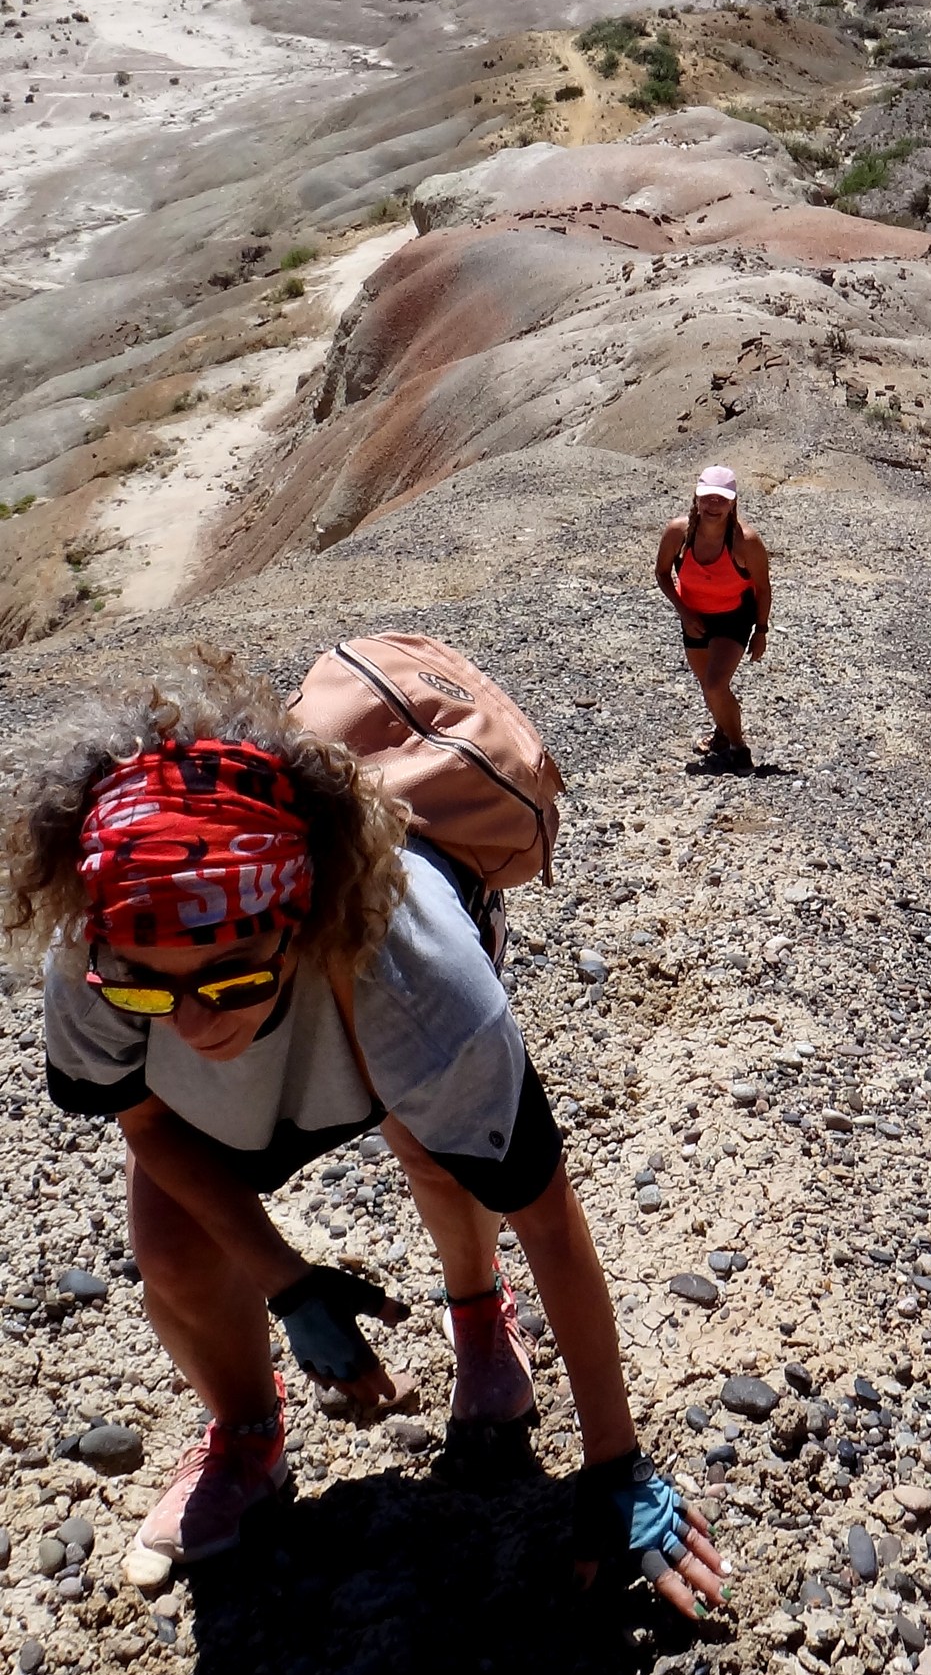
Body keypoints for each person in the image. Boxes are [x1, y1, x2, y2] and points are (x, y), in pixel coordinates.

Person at [0, 650, 726, 1618]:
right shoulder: (99, 939)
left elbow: (545, 1212)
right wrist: (286, 1281)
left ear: (299, 918)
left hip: (356, 1026)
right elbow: (147, 1124)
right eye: (147, 983)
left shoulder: (417, 979)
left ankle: (481, 1327)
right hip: (250, 1086)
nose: (190, 1020)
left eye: (230, 973)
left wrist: (615, 1464)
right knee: (171, 1243)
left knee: (436, 1145)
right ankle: (247, 1438)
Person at [655, 465, 772, 772]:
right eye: (707, 498)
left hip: (734, 615)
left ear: (733, 502)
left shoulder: (746, 542)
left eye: (722, 499)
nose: (713, 505)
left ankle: (739, 748)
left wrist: (760, 630)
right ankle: (722, 733)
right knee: (707, 684)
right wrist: (683, 611)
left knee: (716, 684)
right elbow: (662, 573)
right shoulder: (677, 533)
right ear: (696, 498)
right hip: (694, 615)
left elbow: (763, 588)